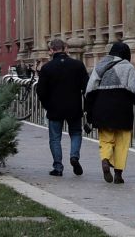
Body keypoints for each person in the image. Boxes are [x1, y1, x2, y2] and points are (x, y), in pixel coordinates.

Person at [84, 41, 135, 184]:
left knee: (106, 139)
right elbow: (134, 87)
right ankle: (118, 173)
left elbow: (90, 89)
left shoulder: (100, 65)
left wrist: (88, 111)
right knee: (122, 141)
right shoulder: (127, 67)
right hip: (122, 109)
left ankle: (105, 160)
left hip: (102, 108)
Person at [35, 37, 90, 177]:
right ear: (66, 49)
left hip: (54, 108)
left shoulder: (46, 68)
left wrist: (47, 105)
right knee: (76, 133)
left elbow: (40, 91)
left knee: (55, 138)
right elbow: (86, 87)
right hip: (74, 107)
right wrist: (85, 105)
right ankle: (74, 156)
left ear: (51, 50)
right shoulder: (78, 65)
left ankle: (58, 167)